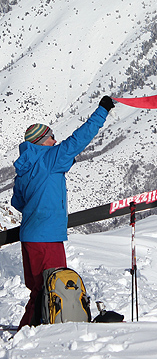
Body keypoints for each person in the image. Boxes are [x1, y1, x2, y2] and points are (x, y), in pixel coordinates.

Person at [11, 95, 115, 329]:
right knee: (53, 285)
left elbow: (18, 202)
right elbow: (79, 139)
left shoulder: (24, 168)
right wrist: (103, 111)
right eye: (51, 137)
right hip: (48, 236)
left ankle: (29, 329)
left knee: (39, 288)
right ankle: (38, 331)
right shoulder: (50, 158)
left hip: (29, 237)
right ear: (42, 141)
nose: (55, 140)